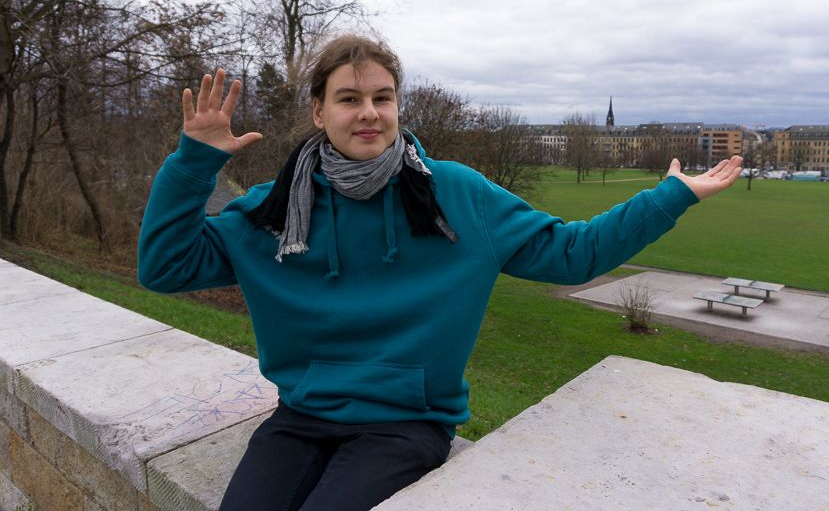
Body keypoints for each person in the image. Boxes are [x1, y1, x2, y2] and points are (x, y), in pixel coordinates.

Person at [138, 35, 742, 511]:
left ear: (399, 105)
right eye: (349, 99)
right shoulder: (272, 212)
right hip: (301, 417)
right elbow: (165, 268)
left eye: (383, 97)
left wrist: (670, 197)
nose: (369, 112)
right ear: (319, 111)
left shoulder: (455, 193)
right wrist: (196, 162)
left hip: (406, 425)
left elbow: (572, 253)